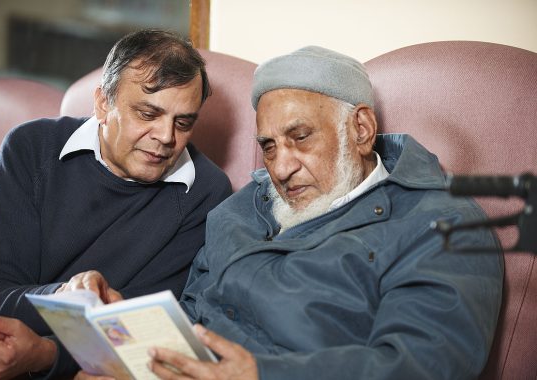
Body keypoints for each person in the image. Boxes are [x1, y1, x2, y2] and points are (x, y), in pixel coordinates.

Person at [79, 46, 503, 380]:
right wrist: (133, 352)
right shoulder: (240, 209)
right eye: (268, 146)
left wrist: (261, 374)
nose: (280, 167)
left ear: (360, 129)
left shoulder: (442, 224)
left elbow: (425, 365)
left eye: (300, 138)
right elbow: (193, 316)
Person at [0, 29, 231, 379]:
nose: (167, 138)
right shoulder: (30, 148)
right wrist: (66, 295)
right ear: (103, 103)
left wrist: (46, 355)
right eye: (148, 114)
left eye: (183, 122)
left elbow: (141, 334)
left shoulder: (206, 192)